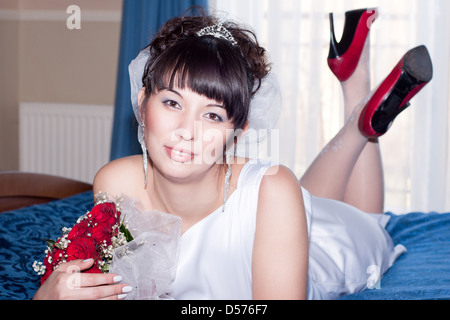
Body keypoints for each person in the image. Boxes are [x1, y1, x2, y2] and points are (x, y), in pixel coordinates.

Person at [33, 8, 432, 300]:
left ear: (236, 132)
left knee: (369, 222)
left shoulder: (273, 191)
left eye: (212, 114)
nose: (187, 131)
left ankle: (360, 112)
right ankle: (360, 110)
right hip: (282, 218)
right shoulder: (115, 183)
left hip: (317, 251)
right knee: (300, 196)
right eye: (172, 103)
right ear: (142, 102)